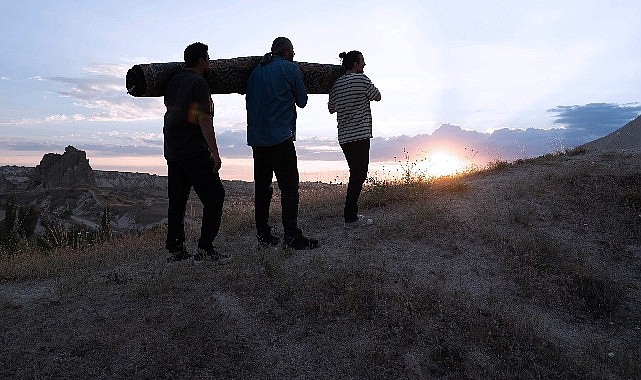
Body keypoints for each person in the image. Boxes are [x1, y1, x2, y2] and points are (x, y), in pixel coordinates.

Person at [246, 37, 319, 250]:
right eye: (293, 52)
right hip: (280, 139)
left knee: (262, 189)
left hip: (257, 142)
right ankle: (291, 235)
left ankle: (263, 234)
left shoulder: (255, 72)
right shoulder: (289, 68)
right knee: (289, 188)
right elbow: (303, 101)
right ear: (287, 52)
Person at [163, 42, 230, 263]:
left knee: (178, 201)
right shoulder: (198, 83)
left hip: (173, 150)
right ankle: (205, 248)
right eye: (208, 57)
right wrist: (215, 153)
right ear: (202, 60)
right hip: (193, 149)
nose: (209, 61)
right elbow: (203, 119)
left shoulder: (173, 82)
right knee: (215, 196)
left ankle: (176, 249)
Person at [328, 50, 381, 228]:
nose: (365, 65)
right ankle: (350, 216)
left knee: (355, 173)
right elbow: (378, 96)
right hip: (360, 134)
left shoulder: (336, 85)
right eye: (363, 62)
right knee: (359, 175)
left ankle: (351, 213)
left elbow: (331, 108)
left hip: (344, 137)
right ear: (356, 64)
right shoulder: (362, 79)